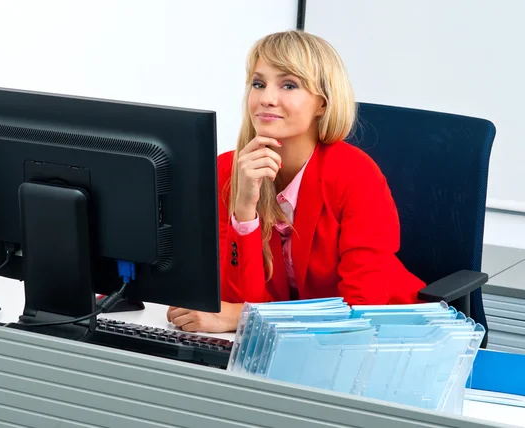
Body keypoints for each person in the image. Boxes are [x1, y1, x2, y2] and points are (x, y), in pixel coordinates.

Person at [167, 30, 425, 333]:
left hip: (390, 335)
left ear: (323, 104)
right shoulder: (229, 170)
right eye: (258, 84)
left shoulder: (356, 175)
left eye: (289, 85)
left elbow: (361, 309)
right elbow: (237, 300)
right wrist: (245, 208)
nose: (267, 99)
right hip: (285, 342)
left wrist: (246, 317)